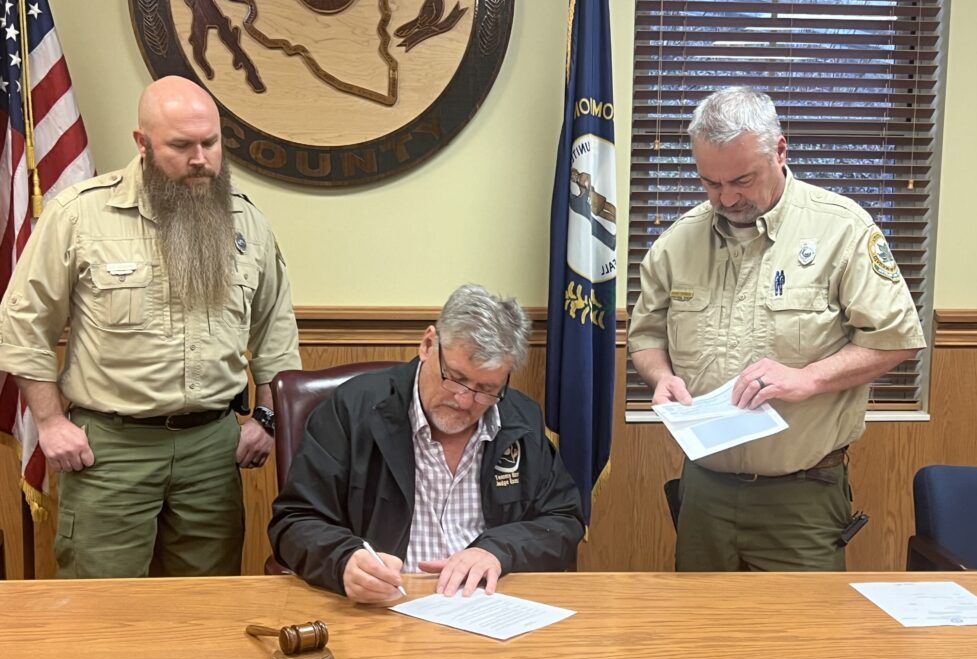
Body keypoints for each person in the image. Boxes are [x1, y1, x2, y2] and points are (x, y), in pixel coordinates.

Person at [0, 76, 301, 578]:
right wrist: (50, 422)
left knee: (206, 604)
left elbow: (275, 331)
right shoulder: (80, 215)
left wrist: (267, 416)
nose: (200, 159)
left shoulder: (246, 222)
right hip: (111, 451)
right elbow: (22, 323)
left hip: (212, 451)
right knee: (103, 606)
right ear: (142, 143)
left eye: (210, 143)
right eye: (181, 146)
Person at [628, 87, 926, 572]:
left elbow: (895, 339)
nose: (726, 198)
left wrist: (808, 378)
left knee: (804, 623)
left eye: (742, 180)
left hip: (801, 495)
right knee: (697, 619)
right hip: (705, 488)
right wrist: (660, 377)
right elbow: (645, 337)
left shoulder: (842, 230)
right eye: (710, 182)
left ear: (780, 151)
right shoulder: (678, 241)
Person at [269, 284, 584, 603]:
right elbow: (294, 521)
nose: (464, 400)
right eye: (456, 378)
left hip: (487, 604)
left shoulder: (519, 420)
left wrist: (499, 551)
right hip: (385, 604)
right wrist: (343, 561)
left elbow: (564, 520)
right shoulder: (353, 410)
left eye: (486, 389)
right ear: (428, 344)